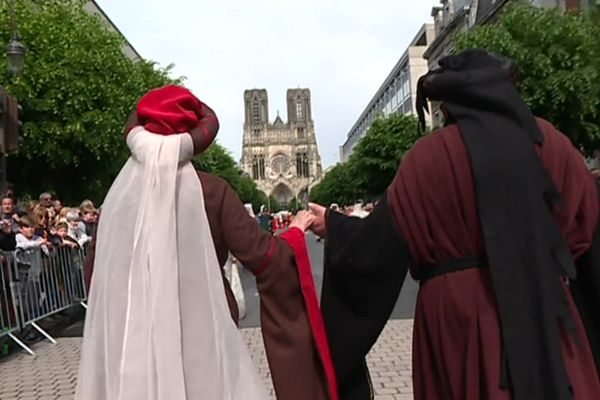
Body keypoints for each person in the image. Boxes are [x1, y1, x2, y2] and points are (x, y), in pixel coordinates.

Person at [308, 49, 600, 400]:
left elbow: (380, 247)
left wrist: (337, 227)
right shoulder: (555, 146)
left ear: (447, 104)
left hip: (458, 324)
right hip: (548, 316)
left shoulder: (428, 159)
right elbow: (589, 240)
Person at [77, 85, 337, 400]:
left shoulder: (117, 200)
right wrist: (295, 232)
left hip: (129, 347)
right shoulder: (212, 191)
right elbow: (267, 258)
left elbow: (94, 278)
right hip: (203, 343)